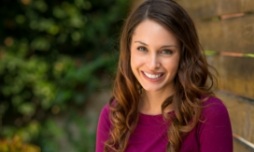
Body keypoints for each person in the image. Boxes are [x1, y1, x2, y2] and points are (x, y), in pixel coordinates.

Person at [96, 0, 233, 151]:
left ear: (183, 54)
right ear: (129, 51)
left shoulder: (209, 114)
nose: (153, 64)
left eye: (166, 51)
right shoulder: (114, 116)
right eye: (142, 48)